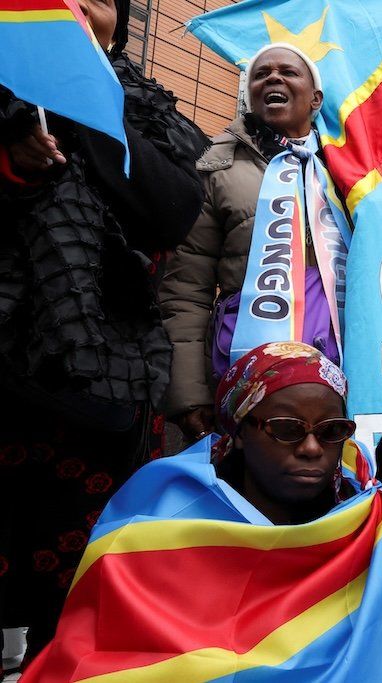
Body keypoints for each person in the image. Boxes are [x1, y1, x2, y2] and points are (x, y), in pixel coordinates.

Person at [24, 186, 382, 683]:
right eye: (286, 430)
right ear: (235, 433)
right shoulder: (162, 530)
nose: (312, 447)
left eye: (332, 430)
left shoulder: (365, 510)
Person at [0, 0, 208, 667]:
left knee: (71, 616)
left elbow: (173, 209)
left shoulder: (145, 106)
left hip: (101, 396)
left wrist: (84, 106)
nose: (78, 5)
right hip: (6, 379)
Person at [159, 42, 351, 442]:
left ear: (315, 99)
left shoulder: (349, 167)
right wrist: (189, 397)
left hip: (347, 364)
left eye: (288, 72)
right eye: (261, 74)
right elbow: (185, 291)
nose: (273, 78)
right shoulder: (215, 167)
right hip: (246, 369)